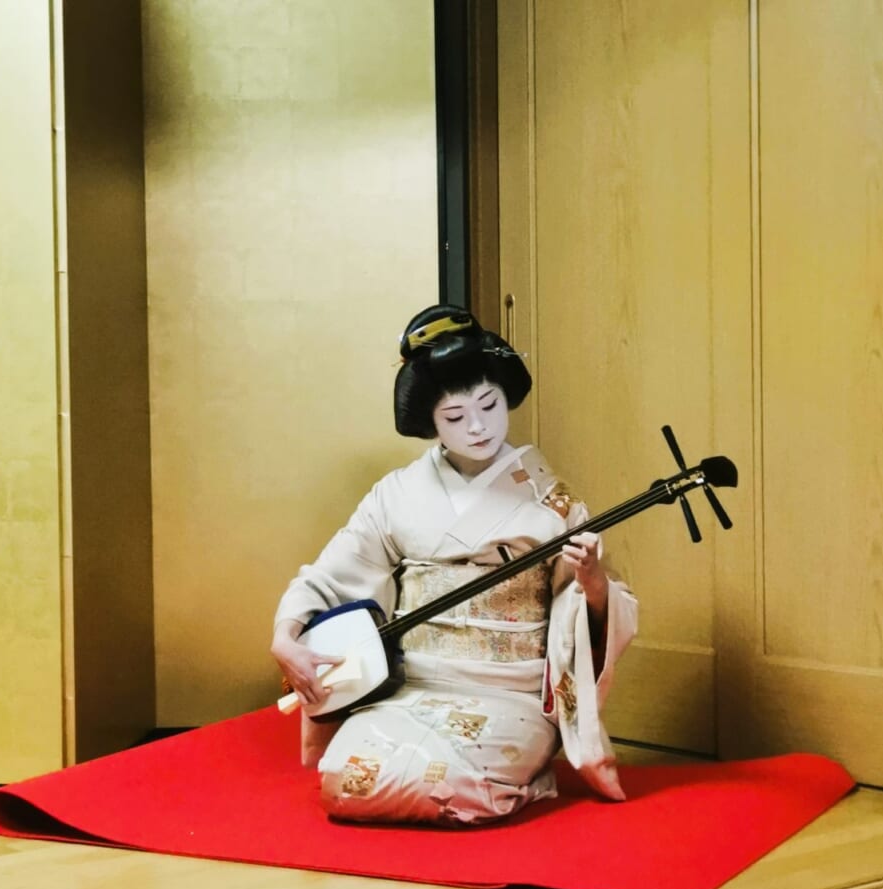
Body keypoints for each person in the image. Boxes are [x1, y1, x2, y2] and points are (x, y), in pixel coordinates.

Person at [271, 304, 637, 824]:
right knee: (346, 778)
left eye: (489, 404)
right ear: (430, 421)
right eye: (455, 416)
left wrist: (593, 582)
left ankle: (528, 776)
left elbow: (592, 609)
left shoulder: (551, 504)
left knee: (453, 785)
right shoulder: (396, 495)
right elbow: (332, 573)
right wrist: (285, 635)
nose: (478, 426)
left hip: (508, 691)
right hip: (413, 686)